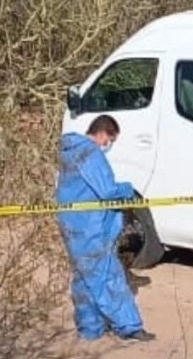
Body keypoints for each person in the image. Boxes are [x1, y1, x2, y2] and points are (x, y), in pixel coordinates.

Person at [55, 115, 154, 342]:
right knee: (108, 275)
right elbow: (107, 191)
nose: (109, 145)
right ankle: (129, 326)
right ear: (103, 133)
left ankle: (90, 328)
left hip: (72, 223)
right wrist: (128, 189)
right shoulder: (91, 154)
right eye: (111, 140)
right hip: (91, 226)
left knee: (84, 276)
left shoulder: (70, 152)